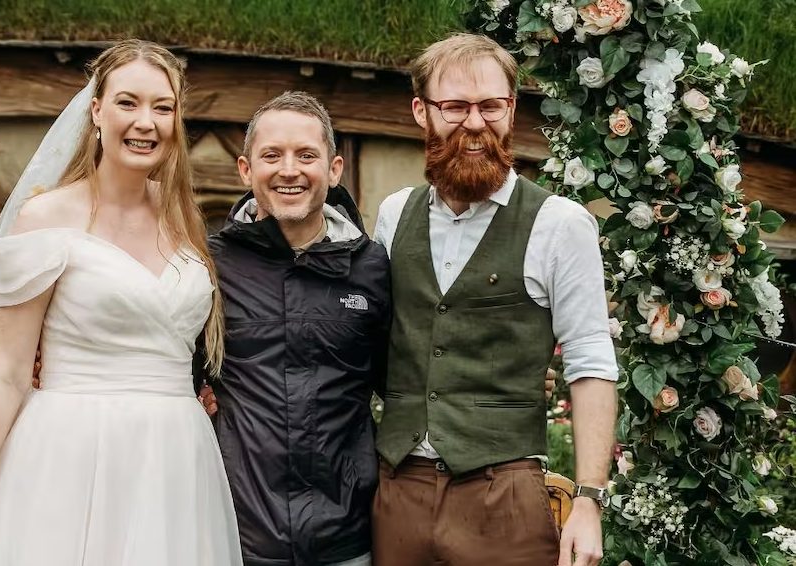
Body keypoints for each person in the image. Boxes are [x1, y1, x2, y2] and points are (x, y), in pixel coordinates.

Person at [0, 40, 243, 566]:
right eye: (127, 102)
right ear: (96, 111)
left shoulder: (183, 215)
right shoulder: (45, 218)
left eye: (163, 108)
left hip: (175, 460)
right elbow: (6, 372)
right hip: (69, 455)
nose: (146, 122)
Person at [371, 34, 618, 566]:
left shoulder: (560, 224)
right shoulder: (393, 215)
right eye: (455, 107)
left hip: (503, 493)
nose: (475, 123)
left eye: (490, 106)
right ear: (421, 111)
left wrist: (588, 500)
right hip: (398, 491)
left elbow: (591, 361)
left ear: (511, 110)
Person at [195, 91, 391, 566]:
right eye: (272, 155)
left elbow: (408, 379)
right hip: (238, 535)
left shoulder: (371, 268)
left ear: (334, 169)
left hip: (346, 537)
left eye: (306, 155)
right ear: (245, 170)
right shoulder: (208, 266)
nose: (289, 170)